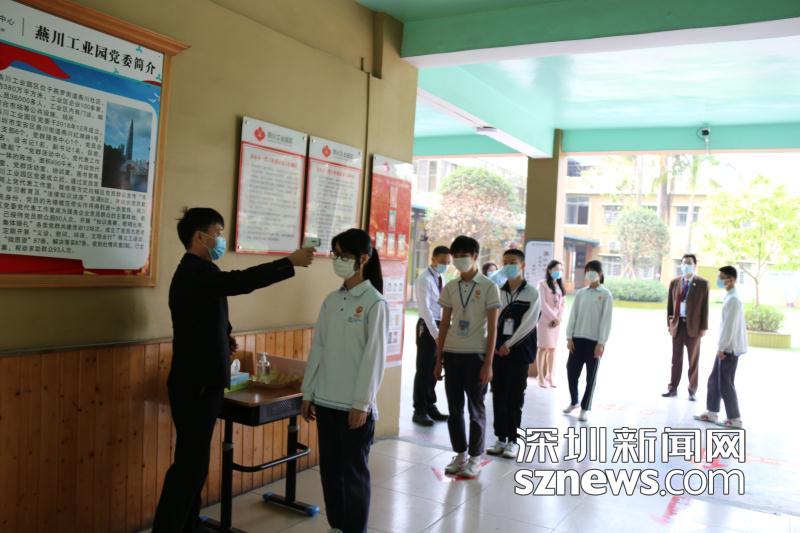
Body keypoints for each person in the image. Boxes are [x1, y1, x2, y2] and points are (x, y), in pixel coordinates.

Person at [152, 208, 314, 533]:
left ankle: (188, 524)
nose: (221, 239)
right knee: (189, 466)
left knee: (195, 464)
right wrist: (289, 263)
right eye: (217, 232)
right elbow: (241, 281)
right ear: (200, 236)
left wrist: (224, 338)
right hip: (195, 385)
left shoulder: (200, 272)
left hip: (201, 381)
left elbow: (205, 316)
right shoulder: (195, 272)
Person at [300, 228, 387, 533]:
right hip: (325, 401)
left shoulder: (375, 302)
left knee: (353, 475)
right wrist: (308, 392)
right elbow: (318, 348)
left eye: (344, 255)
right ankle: (337, 526)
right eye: (335, 254)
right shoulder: (332, 300)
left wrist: (361, 404)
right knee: (330, 472)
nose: (337, 260)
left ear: (363, 259)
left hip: (354, 407)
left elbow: (374, 358)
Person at [434, 236, 501, 478]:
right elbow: (444, 324)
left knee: (476, 409)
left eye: (464, 255)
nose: (459, 260)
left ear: (475, 256)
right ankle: (460, 453)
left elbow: (493, 328)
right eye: (456, 256)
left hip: (476, 356)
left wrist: (488, 363)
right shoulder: (450, 286)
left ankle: (475, 457)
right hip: (452, 354)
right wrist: (438, 358)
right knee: (454, 410)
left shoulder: (489, 286)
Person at [486, 249, 540, 459]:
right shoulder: (498, 291)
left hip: (519, 353)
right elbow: (490, 320)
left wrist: (508, 344)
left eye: (513, 262)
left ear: (522, 265)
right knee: (498, 395)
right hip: (497, 352)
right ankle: (500, 438)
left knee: (515, 397)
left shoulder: (532, 293)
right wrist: (496, 345)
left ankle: (513, 441)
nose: (508, 265)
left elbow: (529, 324)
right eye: (505, 261)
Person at [694, 266, 747, 428]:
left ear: (732, 280)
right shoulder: (730, 297)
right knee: (715, 380)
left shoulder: (733, 300)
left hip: (729, 349)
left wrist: (722, 348)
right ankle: (711, 412)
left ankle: (735, 418)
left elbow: (729, 327)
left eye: (722, 277)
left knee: (725, 383)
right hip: (726, 347)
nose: (719, 280)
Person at [563, 260, 613, 423]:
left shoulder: (605, 294)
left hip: (594, 342)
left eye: (594, 270)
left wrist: (601, 343)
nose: (590, 273)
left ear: (600, 274)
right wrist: (569, 337)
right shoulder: (581, 293)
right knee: (571, 371)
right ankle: (574, 401)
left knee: (590, 377)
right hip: (577, 339)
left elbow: (606, 320)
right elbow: (573, 315)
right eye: (588, 270)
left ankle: (585, 408)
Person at [412, 246, 452, 426]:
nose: (445, 265)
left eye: (448, 262)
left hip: (440, 325)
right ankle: (419, 410)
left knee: (435, 367)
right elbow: (425, 309)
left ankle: (430, 405)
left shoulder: (441, 277)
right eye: (443, 262)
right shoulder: (424, 279)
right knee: (424, 368)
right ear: (433, 259)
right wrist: (436, 334)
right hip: (428, 326)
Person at [664, 254, 710, 401]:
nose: (685, 265)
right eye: (684, 263)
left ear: (694, 265)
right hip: (678, 326)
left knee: (693, 360)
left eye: (689, 263)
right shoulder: (675, 282)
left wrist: (703, 327)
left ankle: (692, 390)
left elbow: (705, 307)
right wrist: (669, 324)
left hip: (694, 328)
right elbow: (670, 306)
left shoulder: (702, 284)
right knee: (675, 360)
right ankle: (672, 388)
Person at [536, 260, 566, 388]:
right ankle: (540, 377)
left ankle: (550, 376)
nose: (558, 272)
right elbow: (542, 304)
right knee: (542, 348)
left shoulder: (559, 286)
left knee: (552, 349)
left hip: (556, 323)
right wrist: (554, 317)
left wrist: (559, 318)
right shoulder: (542, 284)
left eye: (560, 269)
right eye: (556, 269)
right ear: (549, 270)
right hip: (545, 321)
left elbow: (563, 304)